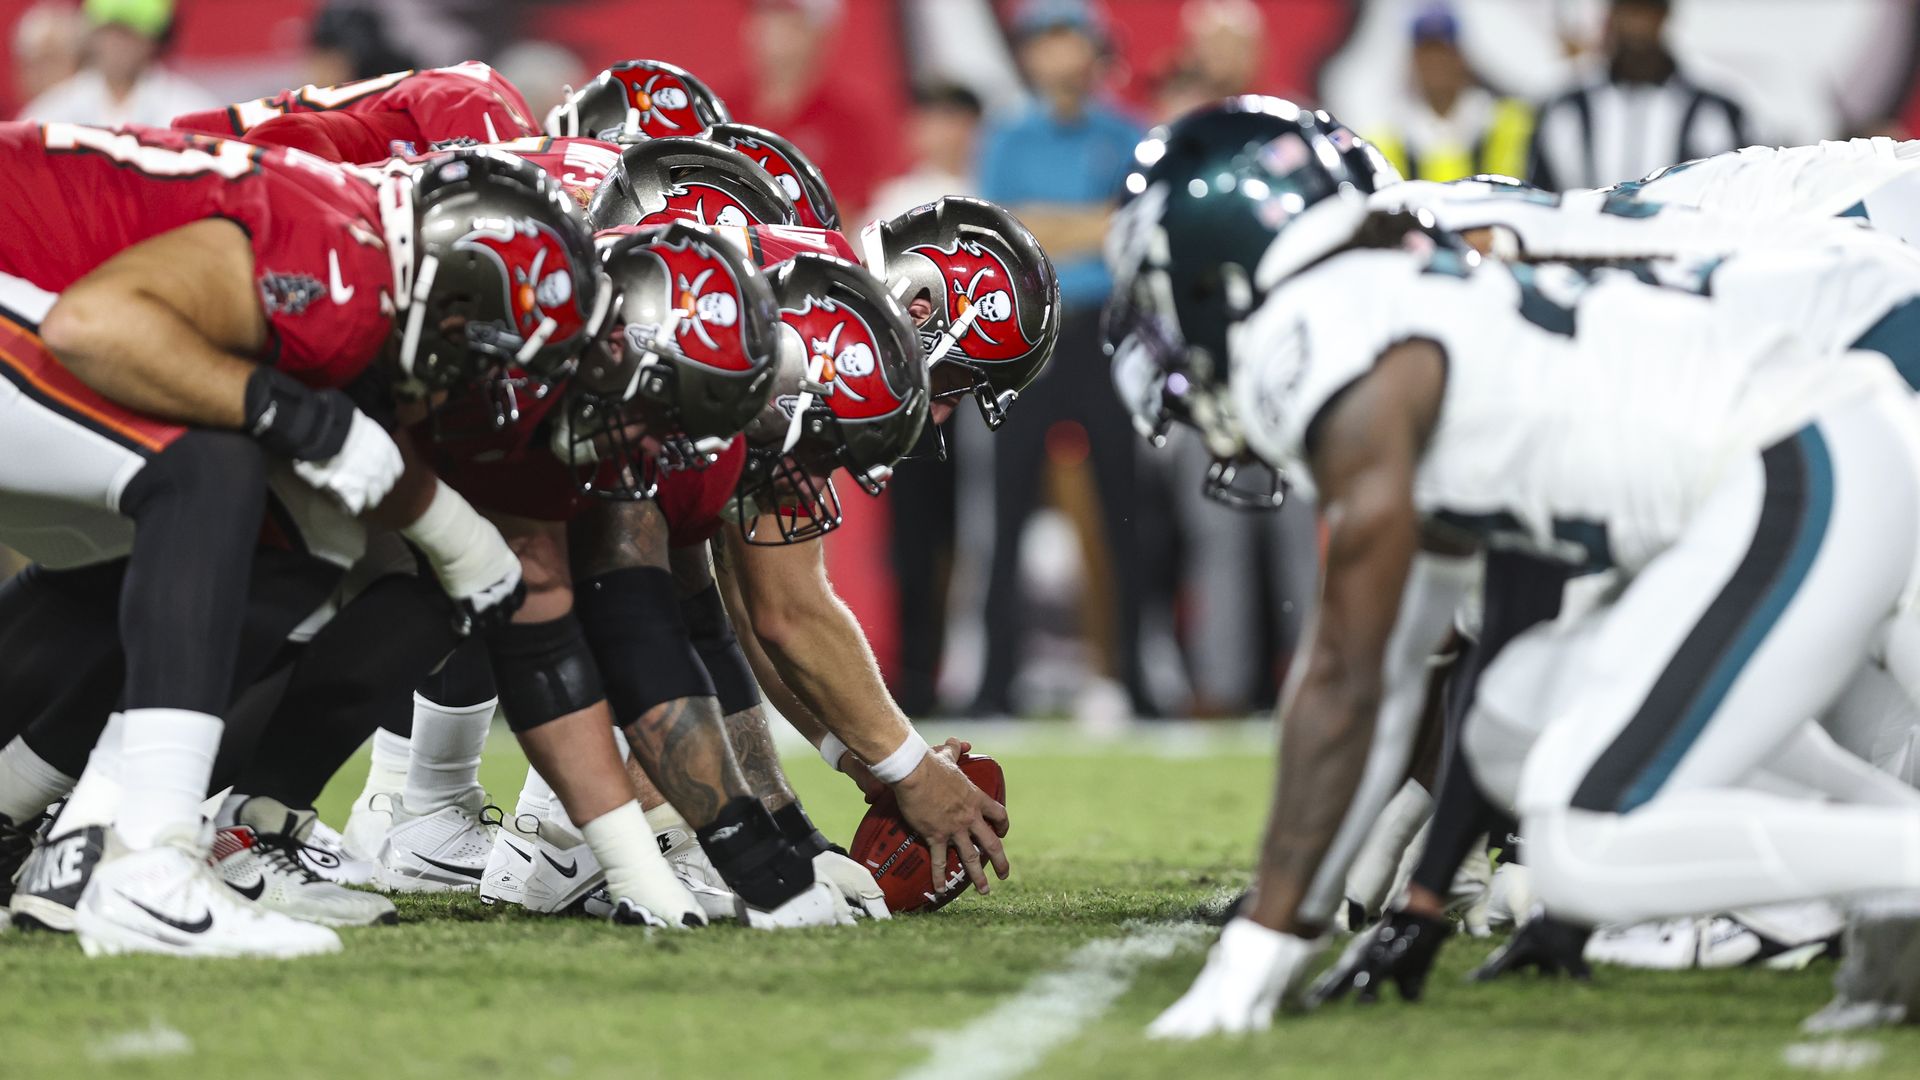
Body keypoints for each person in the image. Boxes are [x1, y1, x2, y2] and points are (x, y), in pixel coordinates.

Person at [1110, 99, 1920, 1037]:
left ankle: (1884, 872)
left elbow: (1344, 677)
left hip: (1800, 451)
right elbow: (1402, 680)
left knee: (1589, 848)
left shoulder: (1317, 331)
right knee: (1514, 719)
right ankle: (1884, 888)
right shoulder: (1401, 274)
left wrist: (1260, 945)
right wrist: (1283, 935)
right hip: (1803, 428)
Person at [972, 0, 1147, 718]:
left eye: (1066, 37)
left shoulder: (1128, 133)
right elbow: (1007, 229)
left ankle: (1138, 678)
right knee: (1005, 508)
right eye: (1042, 41)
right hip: (1029, 336)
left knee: (1127, 512)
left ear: (1093, 49)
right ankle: (993, 684)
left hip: (1103, 335)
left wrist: (1052, 224)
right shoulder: (1006, 136)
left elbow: (1126, 229)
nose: (1054, 53)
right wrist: (1086, 223)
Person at [865, 82, 984, 716]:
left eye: (954, 119)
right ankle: (916, 675)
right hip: (914, 397)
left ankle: (976, 671)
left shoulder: (995, 197)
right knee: (915, 541)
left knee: (981, 539)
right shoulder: (894, 204)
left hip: (986, 397)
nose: (942, 133)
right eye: (931, 119)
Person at [1528, 0, 1747, 191]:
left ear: (1664, 16)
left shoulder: (1717, 111)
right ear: (1612, 16)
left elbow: (1743, 192)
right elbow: (1537, 195)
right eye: (1629, 11)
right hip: (1581, 236)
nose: (1638, 26)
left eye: (1647, 12)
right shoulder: (1564, 109)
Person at [732, 0, 888, 217]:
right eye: (764, 15)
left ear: (820, 34)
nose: (771, 29)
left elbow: (845, 215)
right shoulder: (721, 107)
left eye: (787, 20)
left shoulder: (846, 122)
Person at [1367, 4, 1533, 183]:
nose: (1436, 63)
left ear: (1461, 57)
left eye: (1444, 52)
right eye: (1426, 53)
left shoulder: (1510, 123)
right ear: (1413, 61)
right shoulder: (1388, 139)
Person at [16, 0, 216, 126]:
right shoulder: (48, 114)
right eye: (110, 32)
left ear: (154, 41)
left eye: (129, 34)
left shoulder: (192, 112)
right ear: (93, 35)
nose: (118, 46)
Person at [10, 2, 84, 110]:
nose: (38, 74)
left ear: (75, 61)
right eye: (29, 64)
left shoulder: (100, 113)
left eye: (48, 60)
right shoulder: (27, 118)